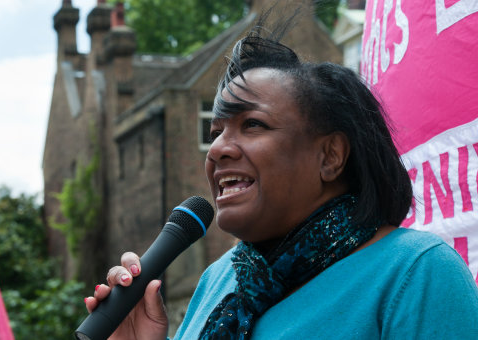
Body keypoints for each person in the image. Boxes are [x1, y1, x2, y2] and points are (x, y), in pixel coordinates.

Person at [84, 10, 478, 340]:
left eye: (252, 125)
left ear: (331, 156)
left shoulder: (417, 273)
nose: (219, 148)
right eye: (215, 131)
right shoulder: (218, 282)